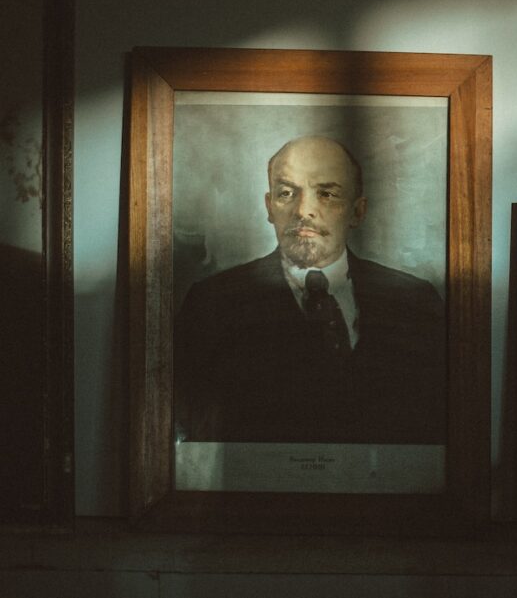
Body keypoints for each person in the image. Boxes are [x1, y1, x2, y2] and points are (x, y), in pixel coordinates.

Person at [174, 135, 445, 444]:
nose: (303, 210)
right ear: (269, 206)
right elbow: (188, 432)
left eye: (327, 193)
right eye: (287, 192)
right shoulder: (212, 303)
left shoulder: (415, 303)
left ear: (358, 211)